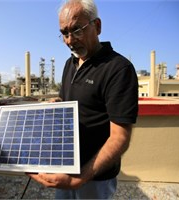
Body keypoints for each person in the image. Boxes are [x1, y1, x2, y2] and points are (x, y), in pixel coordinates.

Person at [27, 0, 138, 198]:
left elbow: (120, 137)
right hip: (66, 167)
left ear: (97, 26)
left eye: (76, 30)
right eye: (64, 33)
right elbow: (69, 99)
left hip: (95, 179)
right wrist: (58, 103)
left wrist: (80, 178)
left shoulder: (119, 69)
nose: (69, 40)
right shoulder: (69, 64)